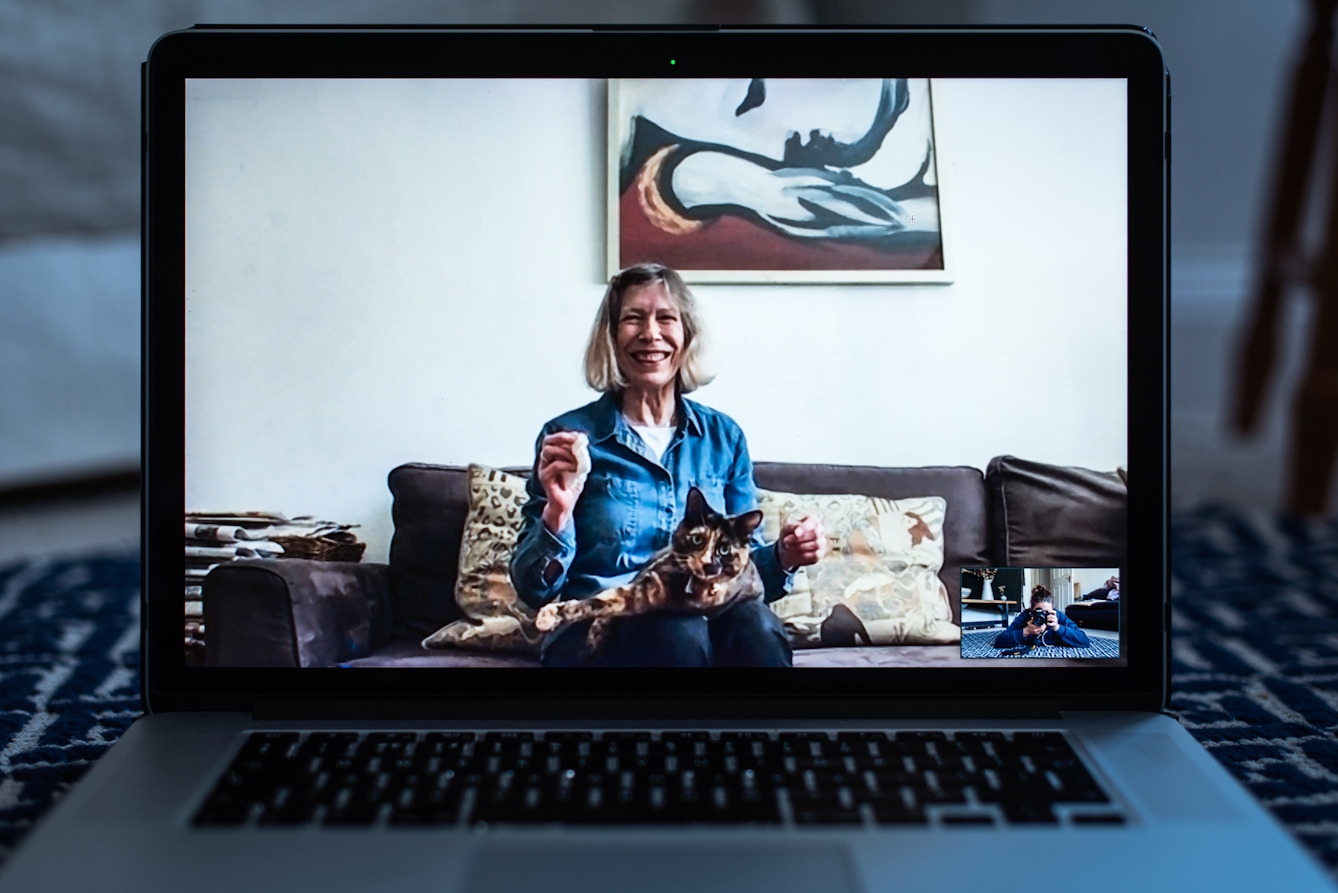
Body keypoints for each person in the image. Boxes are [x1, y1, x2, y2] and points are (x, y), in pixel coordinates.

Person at [509, 263, 827, 667]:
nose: (651, 333)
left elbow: (748, 574)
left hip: (706, 615)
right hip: (602, 626)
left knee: (757, 626)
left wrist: (785, 554)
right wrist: (557, 513)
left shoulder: (723, 438)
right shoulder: (569, 438)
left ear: (686, 335)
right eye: (633, 319)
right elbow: (531, 590)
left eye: (666, 318)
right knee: (675, 631)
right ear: (610, 336)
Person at [992, 585, 1091, 650]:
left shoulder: (1057, 615)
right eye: (1038, 611)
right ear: (1031, 609)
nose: (1042, 615)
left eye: (1047, 612)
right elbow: (1000, 641)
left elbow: (1084, 641)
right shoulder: (1025, 615)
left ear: (1053, 608)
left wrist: (1058, 628)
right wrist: (1026, 631)